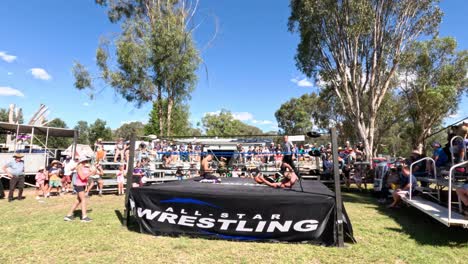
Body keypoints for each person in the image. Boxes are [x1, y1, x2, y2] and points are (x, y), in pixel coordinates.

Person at [64, 156, 96, 222]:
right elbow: (82, 177)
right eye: (85, 161)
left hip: (83, 185)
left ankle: (68, 215)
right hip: (79, 185)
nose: (87, 162)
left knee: (78, 201)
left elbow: (94, 172)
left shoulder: (84, 167)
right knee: (83, 200)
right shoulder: (79, 167)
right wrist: (91, 173)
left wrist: (94, 169)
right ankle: (84, 217)